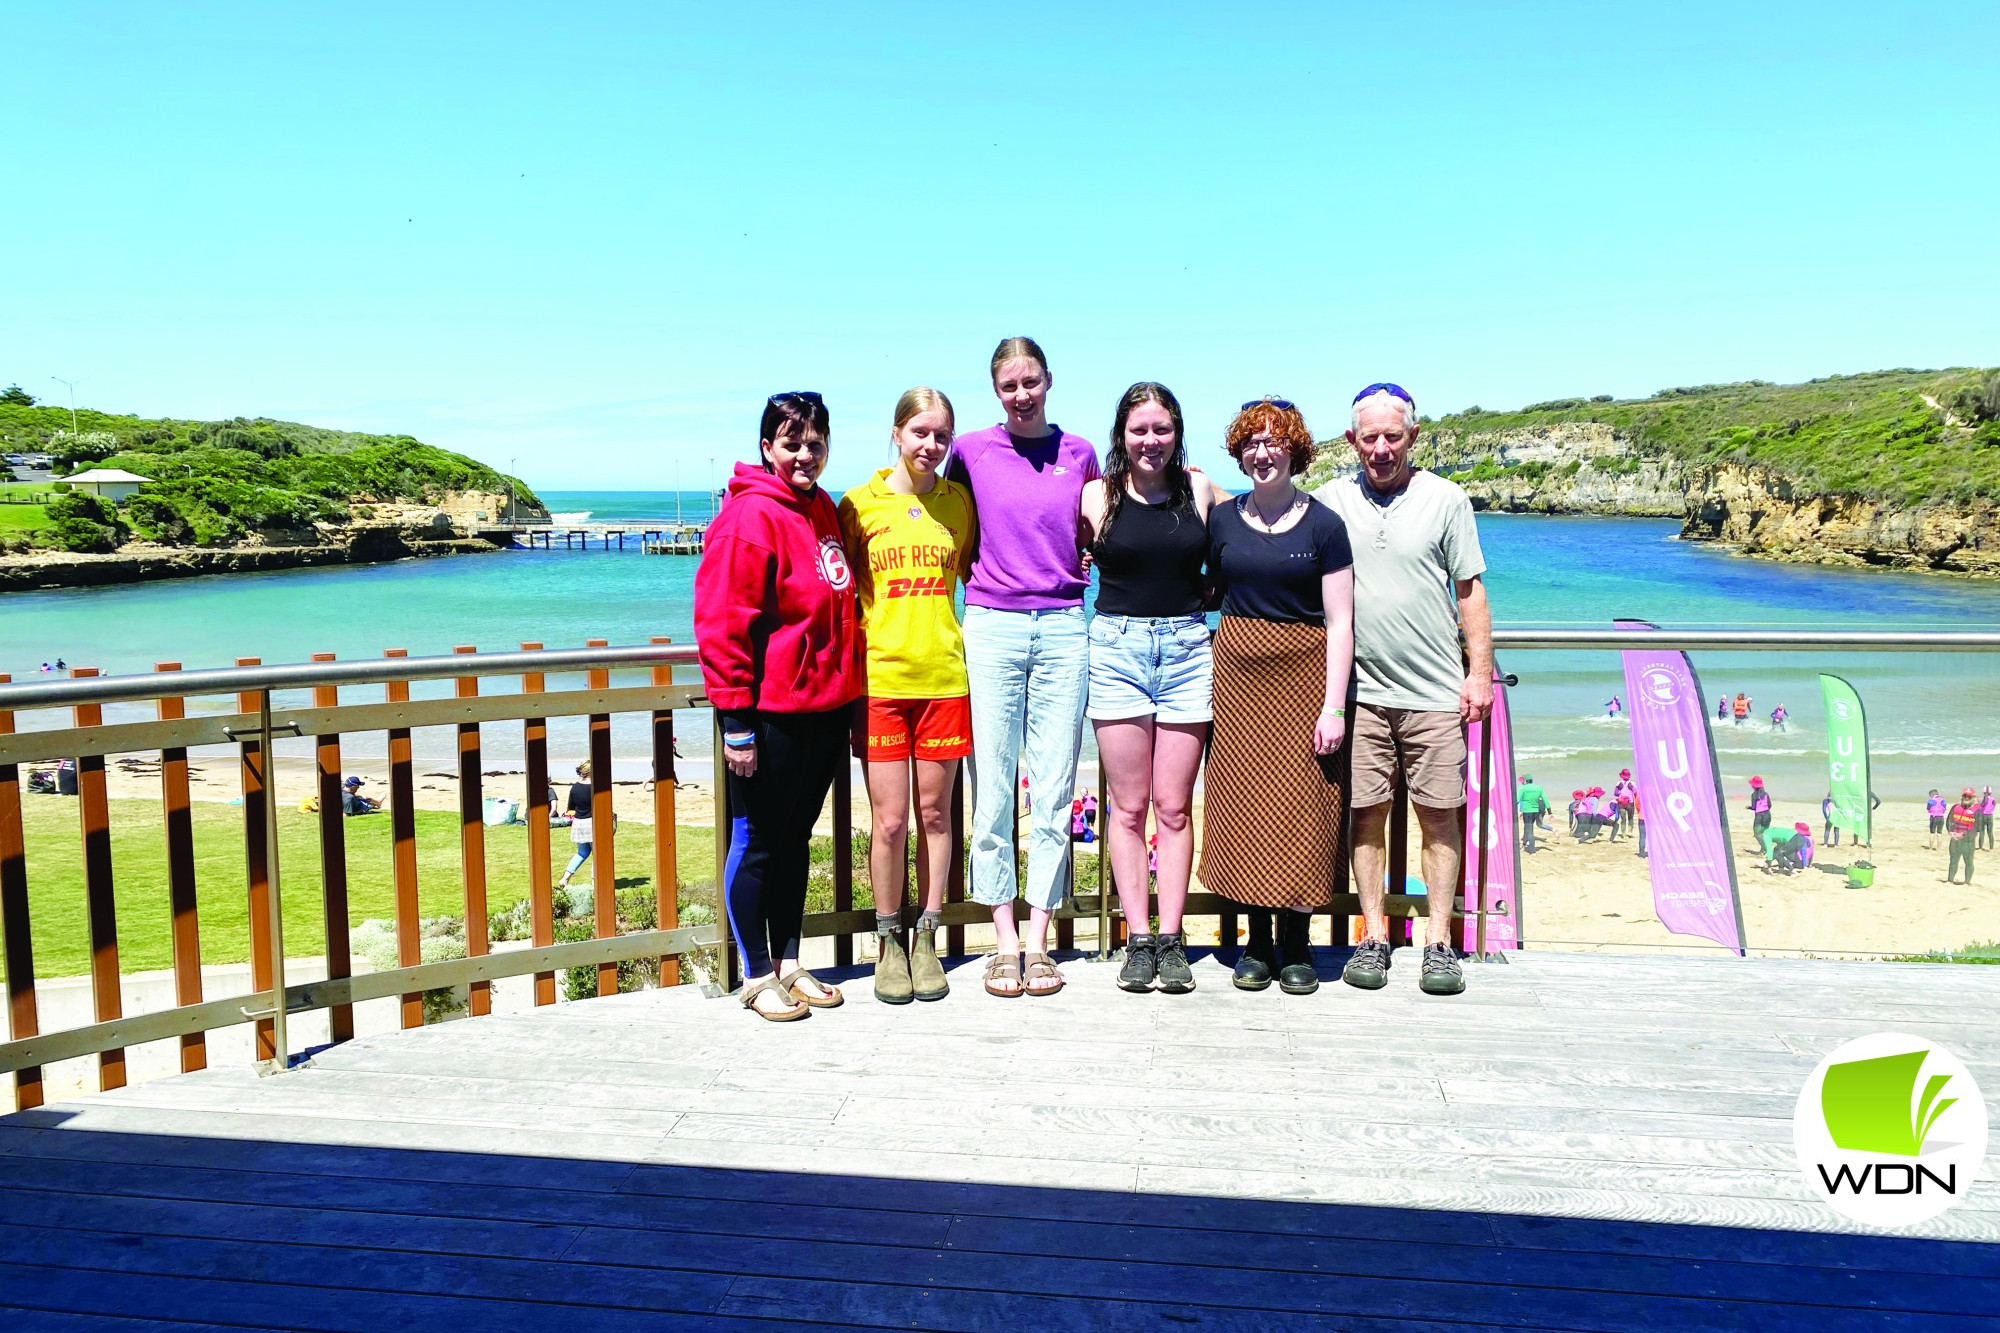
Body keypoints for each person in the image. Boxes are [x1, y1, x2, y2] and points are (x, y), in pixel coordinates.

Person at [1316, 382, 1491, 997]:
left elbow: (1468, 590)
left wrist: (1478, 671)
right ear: (1352, 441)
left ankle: (1439, 940)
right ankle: (1373, 934)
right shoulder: (1329, 500)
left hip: (1436, 693)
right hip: (1359, 694)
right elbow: (1271, 529)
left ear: (1413, 437)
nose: (1382, 448)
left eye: (1394, 436)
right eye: (1371, 438)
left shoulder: (1447, 499)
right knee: (1365, 817)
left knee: (1440, 818)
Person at [695, 390, 865, 1022]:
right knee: (759, 838)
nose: (804, 455)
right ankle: (753, 971)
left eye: (815, 444)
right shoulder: (748, 519)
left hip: (821, 708)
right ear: (767, 447)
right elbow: (722, 622)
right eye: (791, 443)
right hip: (768, 711)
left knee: (797, 839)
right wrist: (735, 720)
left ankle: (789, 962)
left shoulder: (821, 508)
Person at [943, 337, 1098, 999]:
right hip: (991, 625)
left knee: (1056, 788)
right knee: (994, 789)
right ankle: (1002, 938)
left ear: (1049, 381)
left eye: (1030, 381)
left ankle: (1039, 940)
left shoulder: (1081, 452)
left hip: (1065, 623)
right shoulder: (971, 451)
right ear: (996, 390)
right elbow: (938, 515)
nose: (1021, 394)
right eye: (1009, 385)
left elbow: (1099, 529)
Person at [1198, 396, 1354, 995]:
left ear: (1295, 450)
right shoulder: (1224, 520)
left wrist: (1334, 704)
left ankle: (1296, 941)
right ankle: (1256, 942)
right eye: (1252, 442)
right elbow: (1206, 586)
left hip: (1306, 673)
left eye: (1275, 441)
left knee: (1303, 807)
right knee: (1244, 804)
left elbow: (1340, 621)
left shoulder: (1324, 526)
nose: (1263, 452)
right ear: (1240, 452)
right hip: (1237, 677)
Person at [1080, 382, 1228, 996]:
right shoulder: (1096, 496)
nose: (1150, 441)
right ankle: (1137, 939)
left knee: (1173, 806)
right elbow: (1055, 551)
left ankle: (1172, 939)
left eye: (1161, 429)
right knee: (1128, 807)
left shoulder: (1200, 490)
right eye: (1139, 430)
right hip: (1115, 650)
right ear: (1121, 434)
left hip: (1189, 652)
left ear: (1177, 432)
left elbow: (1247, 541)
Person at [837, 386, 975, 1006]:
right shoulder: (857, 506)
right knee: (890, 820)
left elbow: (973, 574)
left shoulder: (958, 506)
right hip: (882, 684)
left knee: (938, 816)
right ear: (896, 433)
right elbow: (843, 592)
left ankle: (928, 934)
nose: (931, 445)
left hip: (944, 679)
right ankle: (888, 938)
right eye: (920, 432)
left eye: (941, 435)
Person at [557, 762, 595, 891]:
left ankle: (565, 878)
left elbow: (571, 808)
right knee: (598, 855)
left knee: (582, 852)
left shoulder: (575, 788)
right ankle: (596, 882)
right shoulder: (594, 787)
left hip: (578, 823)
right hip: (591, 823)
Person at [1947, 787, 1979, 885]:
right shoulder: (1955, 807)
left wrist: (1963, 835)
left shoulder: (1977, 811)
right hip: (1955, 839)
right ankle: (1950, 880)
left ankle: (1967, 882)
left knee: (1968, 861)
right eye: (1965, 795)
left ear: (1973, 797)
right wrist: (1950, 831)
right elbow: (1949, 820)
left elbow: (1977, 828)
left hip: (1968, 842)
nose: (1966, 798)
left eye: (1969, 796)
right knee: (1953, 860)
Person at [1516, 773, 1547, 854]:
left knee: (1529, 830)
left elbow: (1517, 800)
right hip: (1535, 812)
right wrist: (1550, 812)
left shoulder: (1523, 788)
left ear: (1525, 781)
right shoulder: (1538, 787)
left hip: (1527, 812)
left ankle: (1532, 850)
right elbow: (1545, 800)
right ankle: (1523, 844)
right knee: (1527, 828)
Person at [1747, 776, 1772, 841]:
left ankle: (1764, 848)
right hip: (1767, 814)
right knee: (1764, 833)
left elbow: (1754, 807)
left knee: (1757, 833)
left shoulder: (1754, 795)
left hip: (1759, 816)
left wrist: (1749, 807)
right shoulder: (1766, 794)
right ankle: (1765, 847)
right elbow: (1769, 805)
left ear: (1754, 786)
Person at [1613, 769, 1637, 835]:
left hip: (1628, 803)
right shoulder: (1619, 783)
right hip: (1624, 803)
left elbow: (1635, 792)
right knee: (1625, 818)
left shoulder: (1632, 783)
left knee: (1629, 818)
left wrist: (1631, 787)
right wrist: (1619, 788)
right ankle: (1626, 832)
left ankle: (1628, 831)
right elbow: (1616, 793)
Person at [1979, 786, 1996, 852]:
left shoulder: (1981, 799)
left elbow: (1981, 806)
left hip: (1983, 815)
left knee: (1982, 832)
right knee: (1990, 832)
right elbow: (1993, 806)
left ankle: (1980, 847)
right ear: (1990, 793)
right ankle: (1991, 847)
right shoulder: (1993, 799)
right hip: (1990, 815)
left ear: (1983, 792)